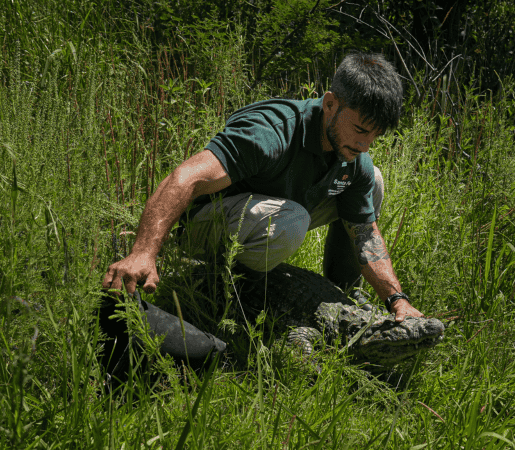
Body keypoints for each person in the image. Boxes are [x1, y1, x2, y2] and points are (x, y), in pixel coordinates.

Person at [101, 52, 424, 328]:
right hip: (202, 227)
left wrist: (397, 300)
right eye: (359, 130)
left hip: (273, 215)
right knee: (291, 220)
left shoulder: (353, 156)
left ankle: (343, 292)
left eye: (375, 135)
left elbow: (364, 234)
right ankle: (227, 296)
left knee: (372, 180)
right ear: (329, 104)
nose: (365, 143)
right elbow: (186, 177)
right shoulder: (271, 131)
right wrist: (144, 252)